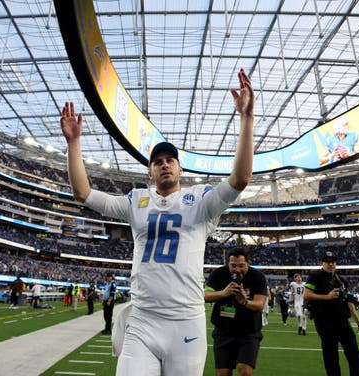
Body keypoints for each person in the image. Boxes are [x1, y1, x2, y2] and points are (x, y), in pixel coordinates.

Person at [60, 68, 254, 375]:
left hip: (185, 321)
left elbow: (240, 179)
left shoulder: (200, 202)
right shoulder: (137, 201)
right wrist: (73, 143)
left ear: (179, 169)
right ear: (150, 173)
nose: (164, 165)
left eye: (169, 161)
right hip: (143, 320)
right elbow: (83, 193)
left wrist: (246, 119)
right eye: (158, 162)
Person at [205, 248, 268, 376]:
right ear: (228, 263)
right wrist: (223, 293)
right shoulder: (218, 274)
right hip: (223, 330)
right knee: (222, 373)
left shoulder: (258, 277)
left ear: (248, 264)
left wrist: (245, 301)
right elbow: (206, 295)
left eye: (241, 266)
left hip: (248, 331)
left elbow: (260, 305)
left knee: (244, 370)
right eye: (233, 266)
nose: (237, 270)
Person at [304, 250, 359, 376]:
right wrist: (326, 297)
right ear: (322, 262)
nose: (331, 264)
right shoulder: (315, 276)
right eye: (327, 262)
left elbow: (349, 302)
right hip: (324, 322)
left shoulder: (341, 279)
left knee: (355, 356)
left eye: (333, 262)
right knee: (331, 358)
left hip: (343, 322)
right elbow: (307, 294)